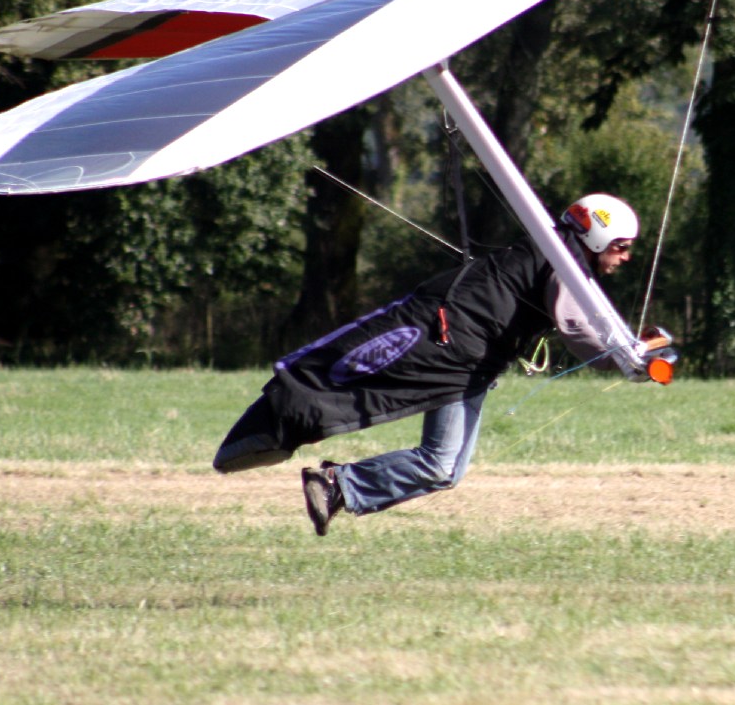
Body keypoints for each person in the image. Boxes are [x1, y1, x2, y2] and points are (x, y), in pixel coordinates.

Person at [211, 193, 664, 535]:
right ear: (596, 237)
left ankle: (337, 487)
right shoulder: (561, 260)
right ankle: (336, 484)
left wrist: (629, 346)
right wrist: (625, 361)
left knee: (445, 467)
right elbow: (578, 326)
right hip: (451, 351)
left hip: (465, 356)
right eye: (621, 246)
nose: (625, 257)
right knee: (440, 464)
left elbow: (589, 316)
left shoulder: (556, 257)